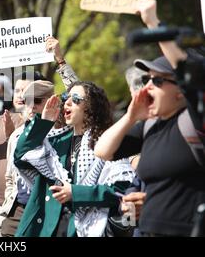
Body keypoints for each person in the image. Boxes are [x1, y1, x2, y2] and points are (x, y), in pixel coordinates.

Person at [94, 0, 205, 237]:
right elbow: (102, 150)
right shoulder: (150, 125)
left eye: (157, 80)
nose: (148, 86)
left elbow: (189, 73)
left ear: (181, 91)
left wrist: (152, 22)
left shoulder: (196, 120)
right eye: (146, 79)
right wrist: (131, 116)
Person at [14, 81, 134, 237]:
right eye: (66, 97)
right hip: (47, 228)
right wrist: (43, 123)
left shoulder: (107, 143)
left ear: (91, 107)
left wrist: (75, 193)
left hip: (86, 229)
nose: (67, 102)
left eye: (76, 99)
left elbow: (121, 190)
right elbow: (20, 156)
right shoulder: (56, 140)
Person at [0, 36, 78, 237]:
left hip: (55, 211)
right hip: (19, 211)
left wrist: (60, 59)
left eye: (38, 100)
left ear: (52, 102)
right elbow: (11, 176)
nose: (32, 106)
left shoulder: (66, 133)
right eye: (27, 100)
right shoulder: (19, 135)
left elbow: (82, 96)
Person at [0, 71, 45, 237]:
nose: (20, 95)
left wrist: (16, 136)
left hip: (26, 208)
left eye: (26, 91)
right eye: (17, 90)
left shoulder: (46, 125)